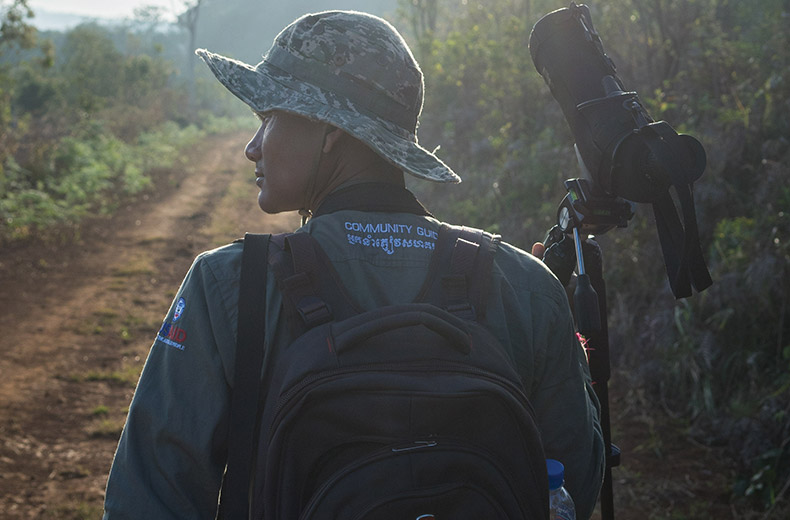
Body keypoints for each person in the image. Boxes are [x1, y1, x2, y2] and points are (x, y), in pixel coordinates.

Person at [103, 10, 604, 520]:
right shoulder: (528, 285)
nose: (252, 147)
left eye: (268, 118)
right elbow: (573, 488)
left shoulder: (230, 284)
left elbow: (150, 496)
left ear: (328, 130)